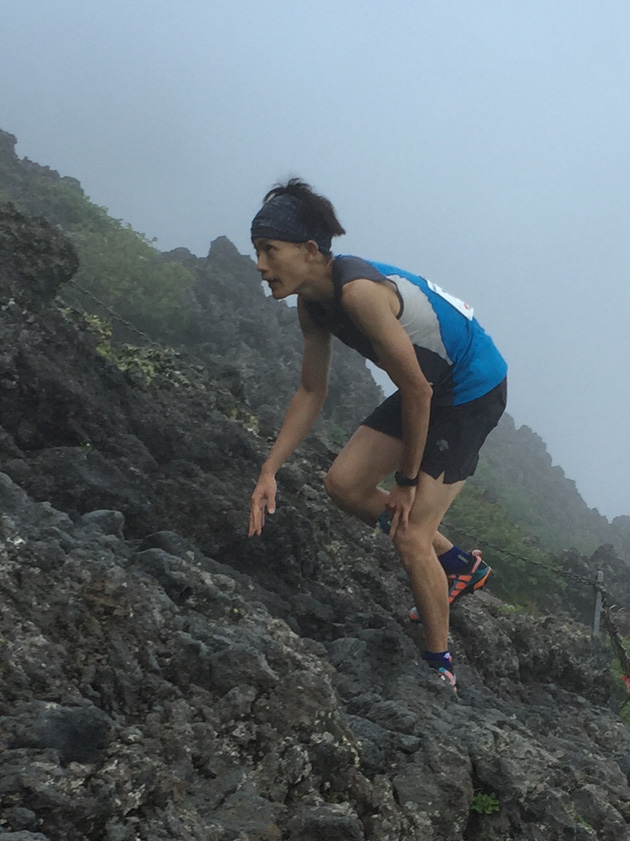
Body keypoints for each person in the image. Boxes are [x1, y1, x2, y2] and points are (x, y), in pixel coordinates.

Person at [247, 179, 507, 693]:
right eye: (257, 251)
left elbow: (417, 390)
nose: (260, 265)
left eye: (269, 250)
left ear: (310, 250)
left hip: (470, 389)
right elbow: (309, 391)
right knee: (343, 483)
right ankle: (460, 566)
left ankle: (439, 668)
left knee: (410, 532)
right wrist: (269, 469)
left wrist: (408, 482)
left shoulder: (359, 293)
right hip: (429, 383)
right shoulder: (312, 304)